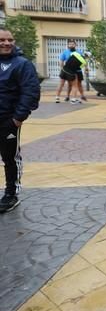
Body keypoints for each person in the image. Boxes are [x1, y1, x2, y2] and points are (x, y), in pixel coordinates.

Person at [0, 27, 40, 213]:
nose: (7, 43)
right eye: (2, 40)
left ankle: (11, 194)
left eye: (10, 40)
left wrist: (17, 118)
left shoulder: (22, 64)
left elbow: (31, 92)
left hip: (8, 121)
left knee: (10, 158)